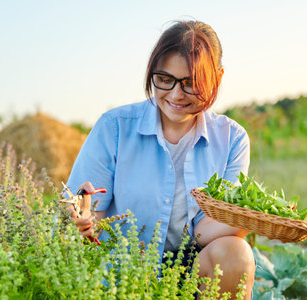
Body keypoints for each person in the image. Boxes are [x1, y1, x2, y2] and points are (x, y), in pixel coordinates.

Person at [66, 20, 255, 299]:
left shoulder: (232, 139)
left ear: (217, 76)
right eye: (164, 79)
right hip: (124, 275)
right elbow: (86, 210)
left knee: (236, 253)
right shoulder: (115, 127)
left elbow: (204, 232)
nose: (176, 94)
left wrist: (252, 218)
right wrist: (81, 217)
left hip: (191, 273)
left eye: (191, 83)